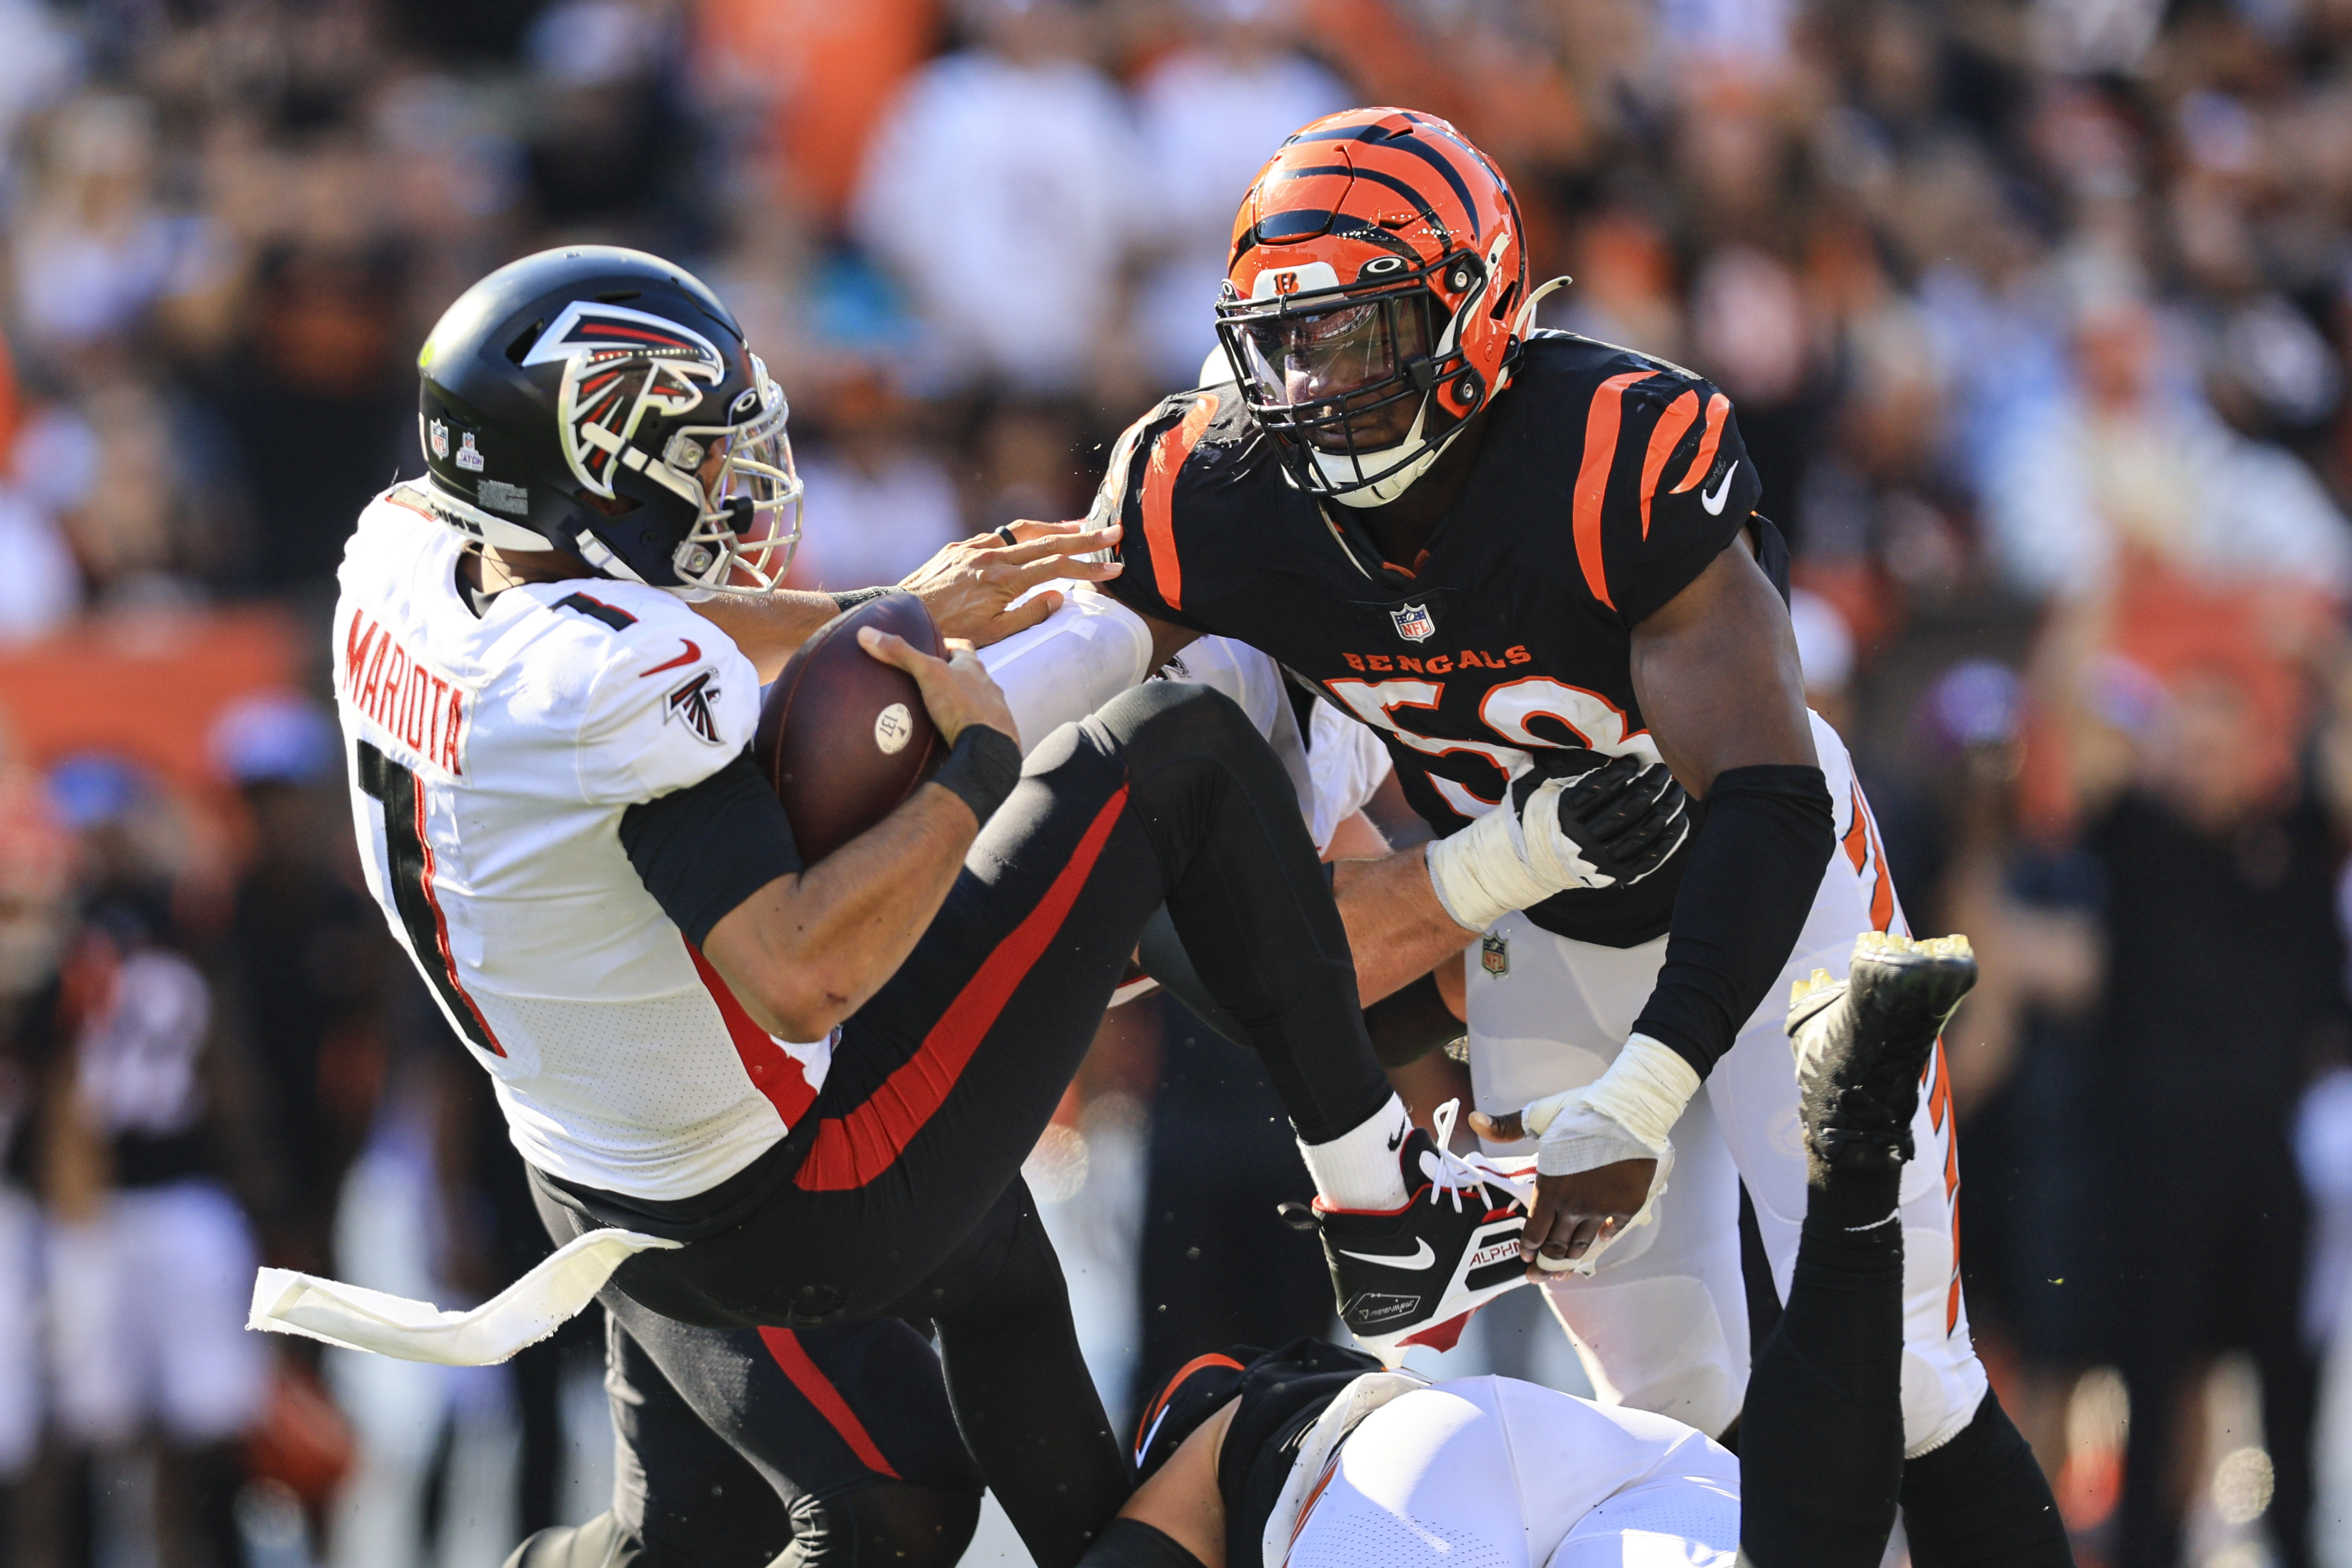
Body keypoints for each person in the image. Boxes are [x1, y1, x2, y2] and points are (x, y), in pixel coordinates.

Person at [330, 244, 1525, 1568]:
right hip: (776, 1177)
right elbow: (800, 972)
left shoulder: (408, 557)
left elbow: (622, 623)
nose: (737, 491)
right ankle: (1383, 1211)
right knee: (1177, 754)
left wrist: (877, 613)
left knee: (766, 1473)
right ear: (596, 459)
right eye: (703, 459)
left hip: (593, 1154)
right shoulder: (614, 694)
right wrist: (972, 773)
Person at [1068, 108, 2070, 1564]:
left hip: (1763, 895)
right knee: (1658, 1415)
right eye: (1286, 345)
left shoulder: (1611, 446)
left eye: (1357, 337)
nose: (1314, 386)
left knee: (1911, 1376)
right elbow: (1179, 903)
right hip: (1541, 929)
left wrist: (1650, 1081)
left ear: (1470, 312)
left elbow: (1769, 798)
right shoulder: (1214, 493)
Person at [1081, 933, 1982, 1568]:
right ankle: (1853, 1177)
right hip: (1555, 1465)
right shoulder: (1225, 1439)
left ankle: (1852, 1189)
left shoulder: (1213, 1451)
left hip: (1401, 1488)